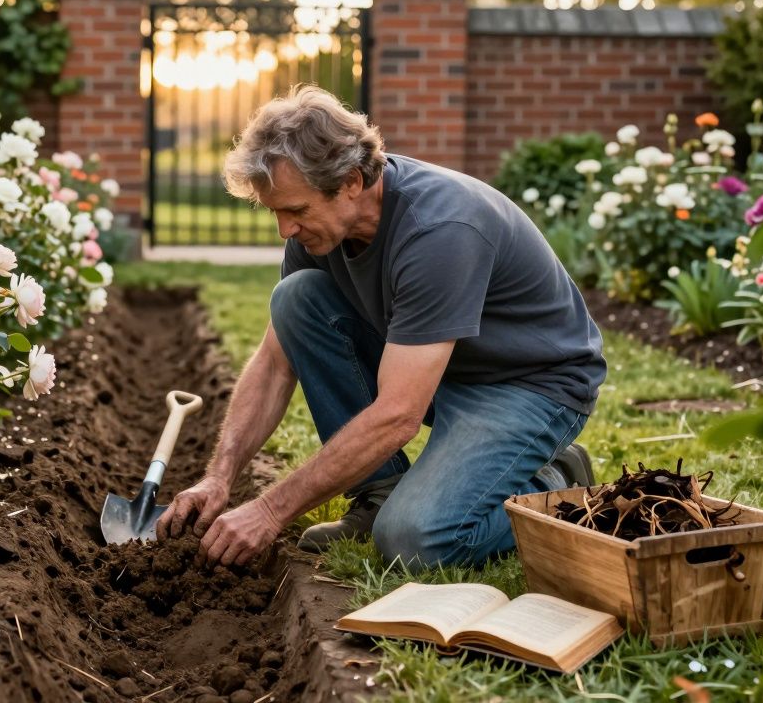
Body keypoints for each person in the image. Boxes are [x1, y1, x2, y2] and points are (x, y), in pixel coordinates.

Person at [154, 85, 606, 569]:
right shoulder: (319, 228)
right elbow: (272, 362)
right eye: (276, 212)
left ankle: (558, 482)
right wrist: (219, 476)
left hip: (527, 386)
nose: (285, 229)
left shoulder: (439, 232)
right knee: (296, 299)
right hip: (438, 365)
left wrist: (270, 510)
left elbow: (398, 414)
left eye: (297, 211)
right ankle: (378, 493)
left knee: (415, 541)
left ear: (351, 181)